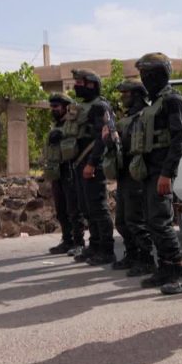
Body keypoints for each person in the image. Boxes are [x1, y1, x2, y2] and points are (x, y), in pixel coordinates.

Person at [126, 53, 182, 295]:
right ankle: (165, 267)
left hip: (161, 171)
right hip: (148, 171)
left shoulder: (172, 101)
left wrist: (167, 174)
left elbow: (178, 140)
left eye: (147, 74)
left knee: (161, 222)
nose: (144, 79)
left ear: (158, 75)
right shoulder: (154, 103)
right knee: (151, 221)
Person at [69, 68, 117, 266]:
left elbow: (102, 138)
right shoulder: (82, 107)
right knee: (86, 207)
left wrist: (92, 163)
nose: (76, 86)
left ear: (92, 85)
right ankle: (95, 245)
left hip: (92, 163)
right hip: (80, 163)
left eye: (80, 83)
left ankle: (107, 249)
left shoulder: (100, 106)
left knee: (98, 207)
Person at [111, 80, 157, 276]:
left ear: (137, 95)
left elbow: (141, 143)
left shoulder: (145, 116)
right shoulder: (128, 117)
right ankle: (132, 254)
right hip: (124, 174)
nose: (122, 98)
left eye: (126, 94)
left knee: (136, 220)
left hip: (137, 173)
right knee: (122, 221)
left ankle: (146, 259)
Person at [43, 92, 86, 255]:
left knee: (74, 209)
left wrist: (62, 135)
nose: (53, 109)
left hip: (70, 170)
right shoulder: (55, 125)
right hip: (57, 171)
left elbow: (78, 142)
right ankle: (67, 240)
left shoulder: (73, 123)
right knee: (61, 209)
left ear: (66, 107)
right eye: (52, 106)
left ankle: (79, 242)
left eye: (56, 106)